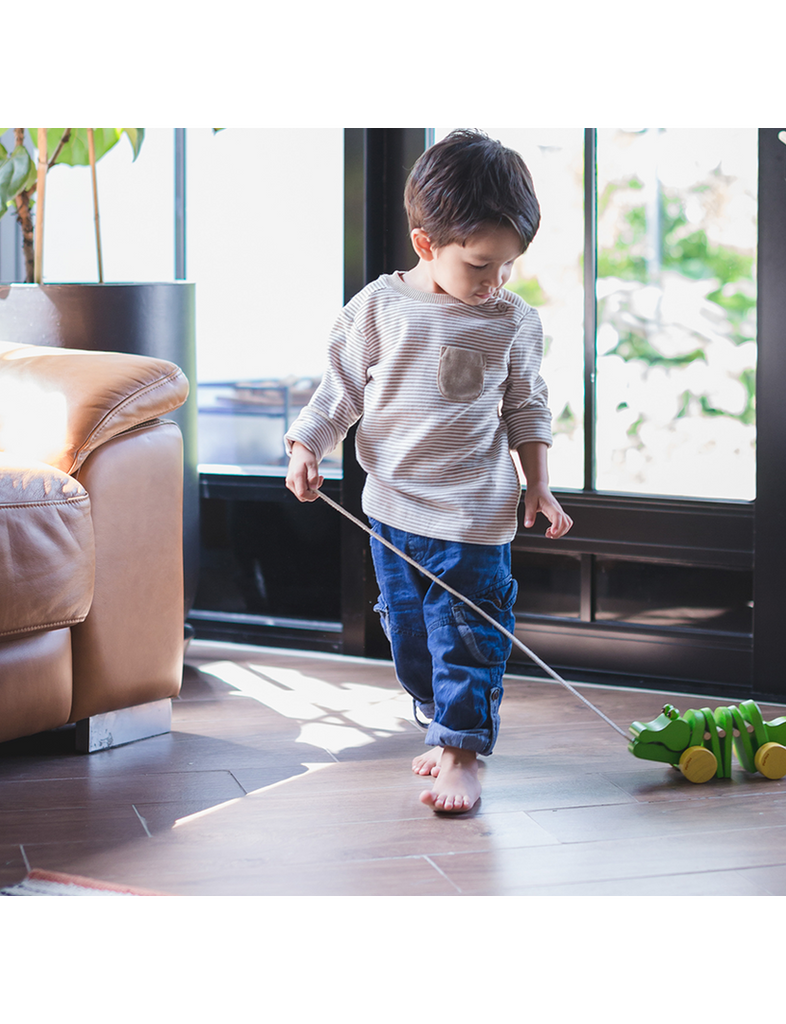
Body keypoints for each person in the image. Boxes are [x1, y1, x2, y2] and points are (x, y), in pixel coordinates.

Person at [285, 129, 572, 814]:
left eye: (507, 266)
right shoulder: (380, 309)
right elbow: (339, 390)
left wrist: (538, 482)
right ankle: (444, 723)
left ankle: (463, 750)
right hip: (390, 512)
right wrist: (307, 447)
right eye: (479, 266)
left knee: (466, 637)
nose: (495, 282)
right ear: (426, 244)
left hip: (474, 515)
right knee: (411, 636)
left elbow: (525, 404)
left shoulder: (512, 322)